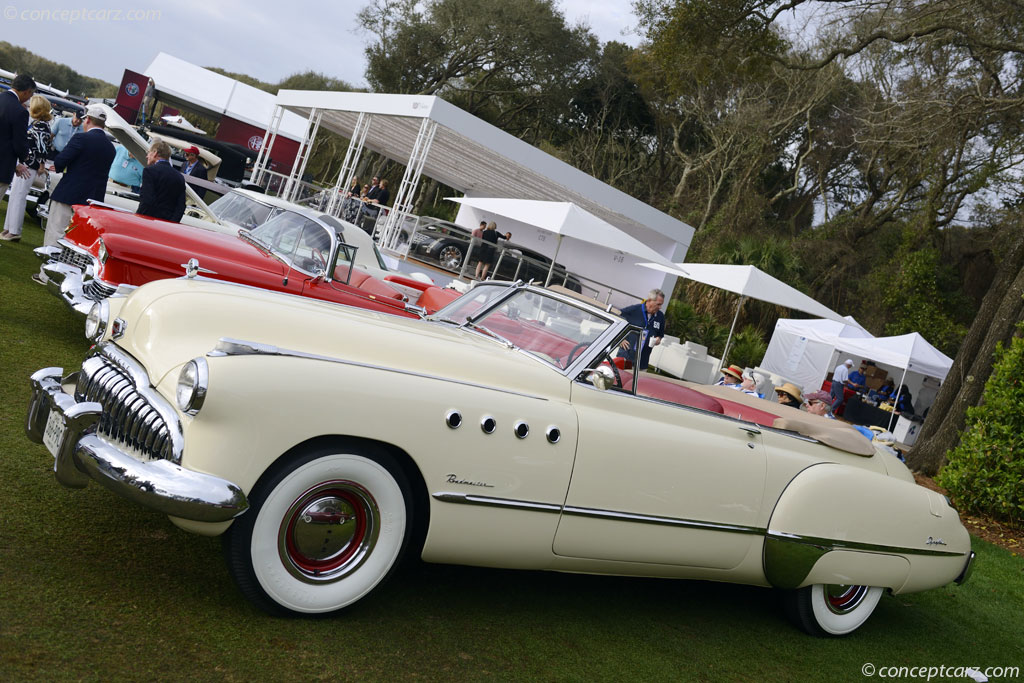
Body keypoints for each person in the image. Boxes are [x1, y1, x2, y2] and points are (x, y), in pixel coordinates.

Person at [43, 104, 116, 252]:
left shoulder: (81, 138)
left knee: (56, 231)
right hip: (92, 199)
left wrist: (58, 166)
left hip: (69, 192)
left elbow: (61, 161)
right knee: (76, 238)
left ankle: (47, 272)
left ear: (88, 120)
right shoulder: (111, 147)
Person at [2, 94, 52, 242]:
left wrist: (39, 163)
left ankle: (15, 231)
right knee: (15, 196)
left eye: (32, 104)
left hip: (30, 165)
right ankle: (8, 228)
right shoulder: (37, 124)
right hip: (26, 163)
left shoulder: (41, 126)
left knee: (19, 197)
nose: (29, 106)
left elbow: (43, 148)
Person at [0, 74, 35, 247]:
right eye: (30, 94)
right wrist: (24, 158)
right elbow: (19, 142)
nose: (30, 98)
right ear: (26, 91)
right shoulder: (19, 111)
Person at [136, 139, 185, 223]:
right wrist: (172, 223)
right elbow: (181, 206)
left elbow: (147, 200)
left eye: (148, 152)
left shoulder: (149, 171)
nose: (147, 156)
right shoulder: (179, 177)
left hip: (149, 220)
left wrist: (138, 217)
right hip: (168, 224)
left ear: (155, 153)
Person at [617, 289, 666, 371]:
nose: (660, 307)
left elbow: (660, 334)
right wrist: (620, 338)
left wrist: (658, 339)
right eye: (658, 304)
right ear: (650, 300)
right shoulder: (633, 310)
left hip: (642, 363)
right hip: (626, 359)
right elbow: (615, 318)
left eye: (661, 305)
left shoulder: (660, 316)